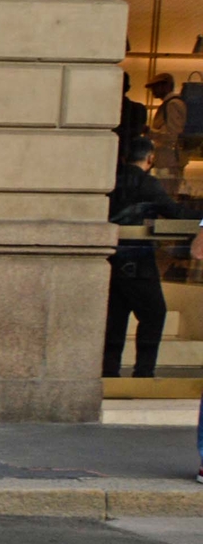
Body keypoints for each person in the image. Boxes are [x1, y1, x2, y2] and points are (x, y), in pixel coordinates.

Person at [105, 137, 173, 379]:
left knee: (115, 318)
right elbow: (176, 213)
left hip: (111, 261)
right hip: (139, 262)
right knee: (154, 314)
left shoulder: (110, 181)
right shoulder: (148, 183)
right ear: (150, 158)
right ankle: (143, 373)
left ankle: (108, 372)